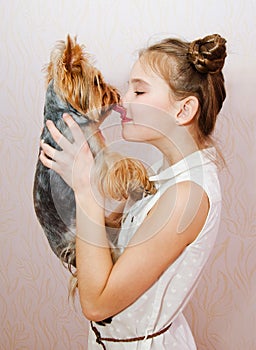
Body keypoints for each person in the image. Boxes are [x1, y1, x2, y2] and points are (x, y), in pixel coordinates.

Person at [40, 33, 227, 349]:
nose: (122, 100)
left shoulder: (186, 197)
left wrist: (86, 188)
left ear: (184, 110)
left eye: (139, 90)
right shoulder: (163, 174)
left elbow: (97, 304)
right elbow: (107, 249)